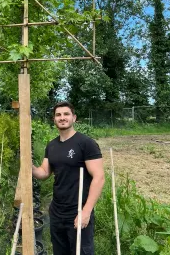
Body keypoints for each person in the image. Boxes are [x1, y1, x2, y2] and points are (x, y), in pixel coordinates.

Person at [32, 101, 105, 255]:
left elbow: (99, 178)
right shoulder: (51, 145)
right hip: (57, 211)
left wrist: (86, 211)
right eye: (58, 115)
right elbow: (44, 173)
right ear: (54, 119)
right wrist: (28, 165)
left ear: (74, 118)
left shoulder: (86, 143)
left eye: (66, 114)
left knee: (81, 251)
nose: (62, 117)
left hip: (77, 210)